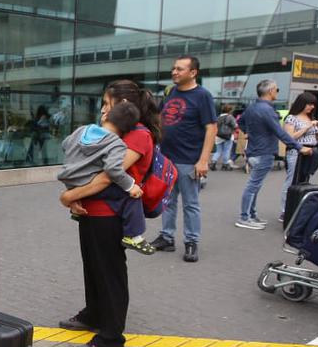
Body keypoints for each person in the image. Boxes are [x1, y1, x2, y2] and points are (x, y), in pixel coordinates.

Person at [57, 80, 160, 347]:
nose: (103, 109)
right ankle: (94, 314)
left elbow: (107, 176)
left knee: (110, 273)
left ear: (122, 104)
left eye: (106, 103)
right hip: (93, 210)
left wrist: (68, 196)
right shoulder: (114, 132)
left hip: (110, 214)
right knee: (93, 267)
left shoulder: (138, 135)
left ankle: (111, 338)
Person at [58, 101, 153, 254]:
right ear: (127, 130)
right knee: (132, 196)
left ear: (107, 116)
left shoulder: (83, 129)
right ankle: (134, 236)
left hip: (69, 178)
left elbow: (65, 144)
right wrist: (131, 186)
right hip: (88, 181)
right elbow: (113, 169)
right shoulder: (116, 144)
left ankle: (76, 212)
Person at [149, 56, 217, 263]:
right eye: (174, 68)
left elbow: (211, 128)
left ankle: (191, 241)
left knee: (190, 204)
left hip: (189, 160)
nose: (174, 72)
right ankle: (167, 237)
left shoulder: (203, 96)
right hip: (167, 158)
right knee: (167, 201)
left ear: (193, 72)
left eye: (179, 69)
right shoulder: (171, 92)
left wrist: (203, 160)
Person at [235, 80, 310, 230]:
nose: (277, 92)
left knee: (255, 186)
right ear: (270, 91)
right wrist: (299, 147)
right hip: (264, 152)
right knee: (253, 186)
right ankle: (244, 217)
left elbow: (241, 122)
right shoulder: (267, 110)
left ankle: (251, 215)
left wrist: (249, 133)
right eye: (277, 90)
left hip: (254, 152)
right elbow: (280, 132)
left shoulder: (252, 107)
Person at [279, 92, 318, 219]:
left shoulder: (311, 118)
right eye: (310, 104)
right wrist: (307, 127)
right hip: (296, 151)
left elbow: (316, 138)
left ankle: (297, 208)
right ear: (302, 103)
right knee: (292, 180)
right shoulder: (291, 118)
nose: (312, 107)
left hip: (311, 151)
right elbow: (290, 137)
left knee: (304, 180)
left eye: (313, 104)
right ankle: (285, 210)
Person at [210, 106, 237, 171]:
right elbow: (235, 125)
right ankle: (225, 165)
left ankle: (213, 163)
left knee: (218, 151)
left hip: (218, 136)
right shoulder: (230, 117)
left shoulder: (218, 117)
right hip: (228, 136)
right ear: (230, 111)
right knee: (227, 150)